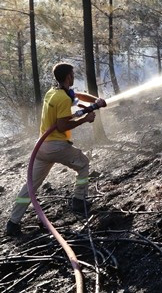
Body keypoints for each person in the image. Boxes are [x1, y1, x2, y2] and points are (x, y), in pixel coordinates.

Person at [6, 63, 106, 236]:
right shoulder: (63, 98)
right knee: (83, 164)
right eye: (73, 74)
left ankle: (13, 223)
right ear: (68, 76)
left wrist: (95, 101)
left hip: (41, 147)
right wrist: (86, 118)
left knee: (31, 185)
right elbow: (61, 126)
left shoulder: (53, 92)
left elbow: (76, 96)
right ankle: (78, 201)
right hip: (56, 145)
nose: (74, 76)